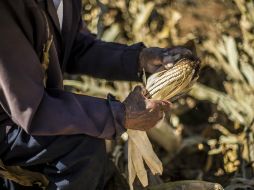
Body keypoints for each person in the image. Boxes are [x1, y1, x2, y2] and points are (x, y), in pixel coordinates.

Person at [0, 0, 194, 189]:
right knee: (82, 147)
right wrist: (120, 115)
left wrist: (138, 59)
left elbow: (76, 47)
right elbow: (32, 110)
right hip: (9, 123)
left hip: (28, 111)